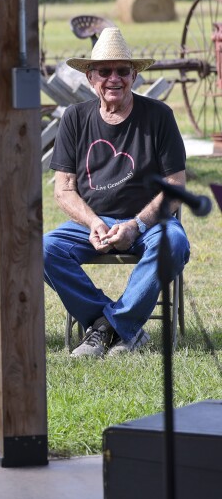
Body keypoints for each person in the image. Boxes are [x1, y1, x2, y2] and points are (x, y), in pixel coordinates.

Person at [43, 27, 190, 357]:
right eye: (104, 71)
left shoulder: (159, 116)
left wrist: (136, 225)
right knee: (42, 250)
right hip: (93, 223)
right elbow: (64, 189)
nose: (114, 79)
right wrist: (94, 223)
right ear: (90, 77)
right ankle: (117, 325)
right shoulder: (74, 117)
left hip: (150, 224)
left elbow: (176, 186)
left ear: (134, 76)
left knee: (174, 243)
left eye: (122, 71)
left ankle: (108, 327)